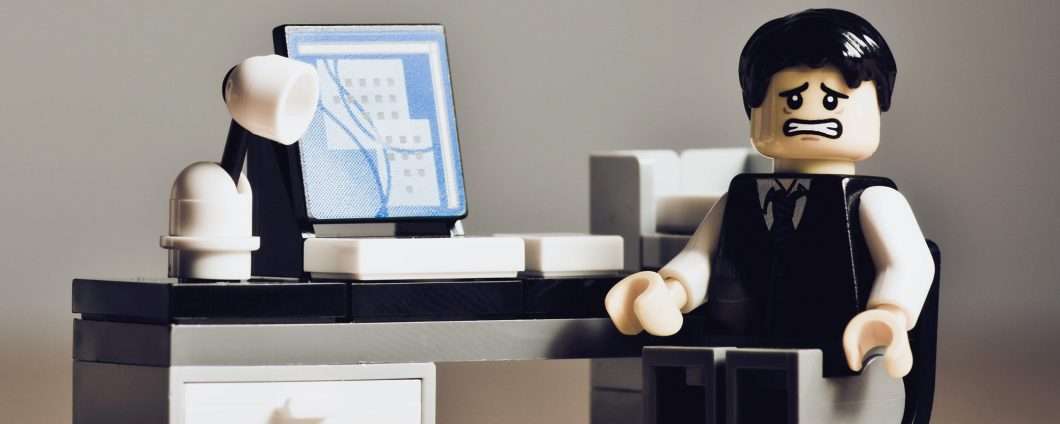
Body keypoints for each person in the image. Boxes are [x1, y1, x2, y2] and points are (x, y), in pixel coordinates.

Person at [605, 8, 935, 381]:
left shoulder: (873, 200)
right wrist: (672, 292)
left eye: (831, 101)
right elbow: (702, 257)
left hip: (836, 360)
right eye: (791, 100)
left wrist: (888, 314)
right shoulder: (740, 197)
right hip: (740, 352)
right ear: (755, 108)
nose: (810, 115)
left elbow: (909, 264)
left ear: (877, 107)